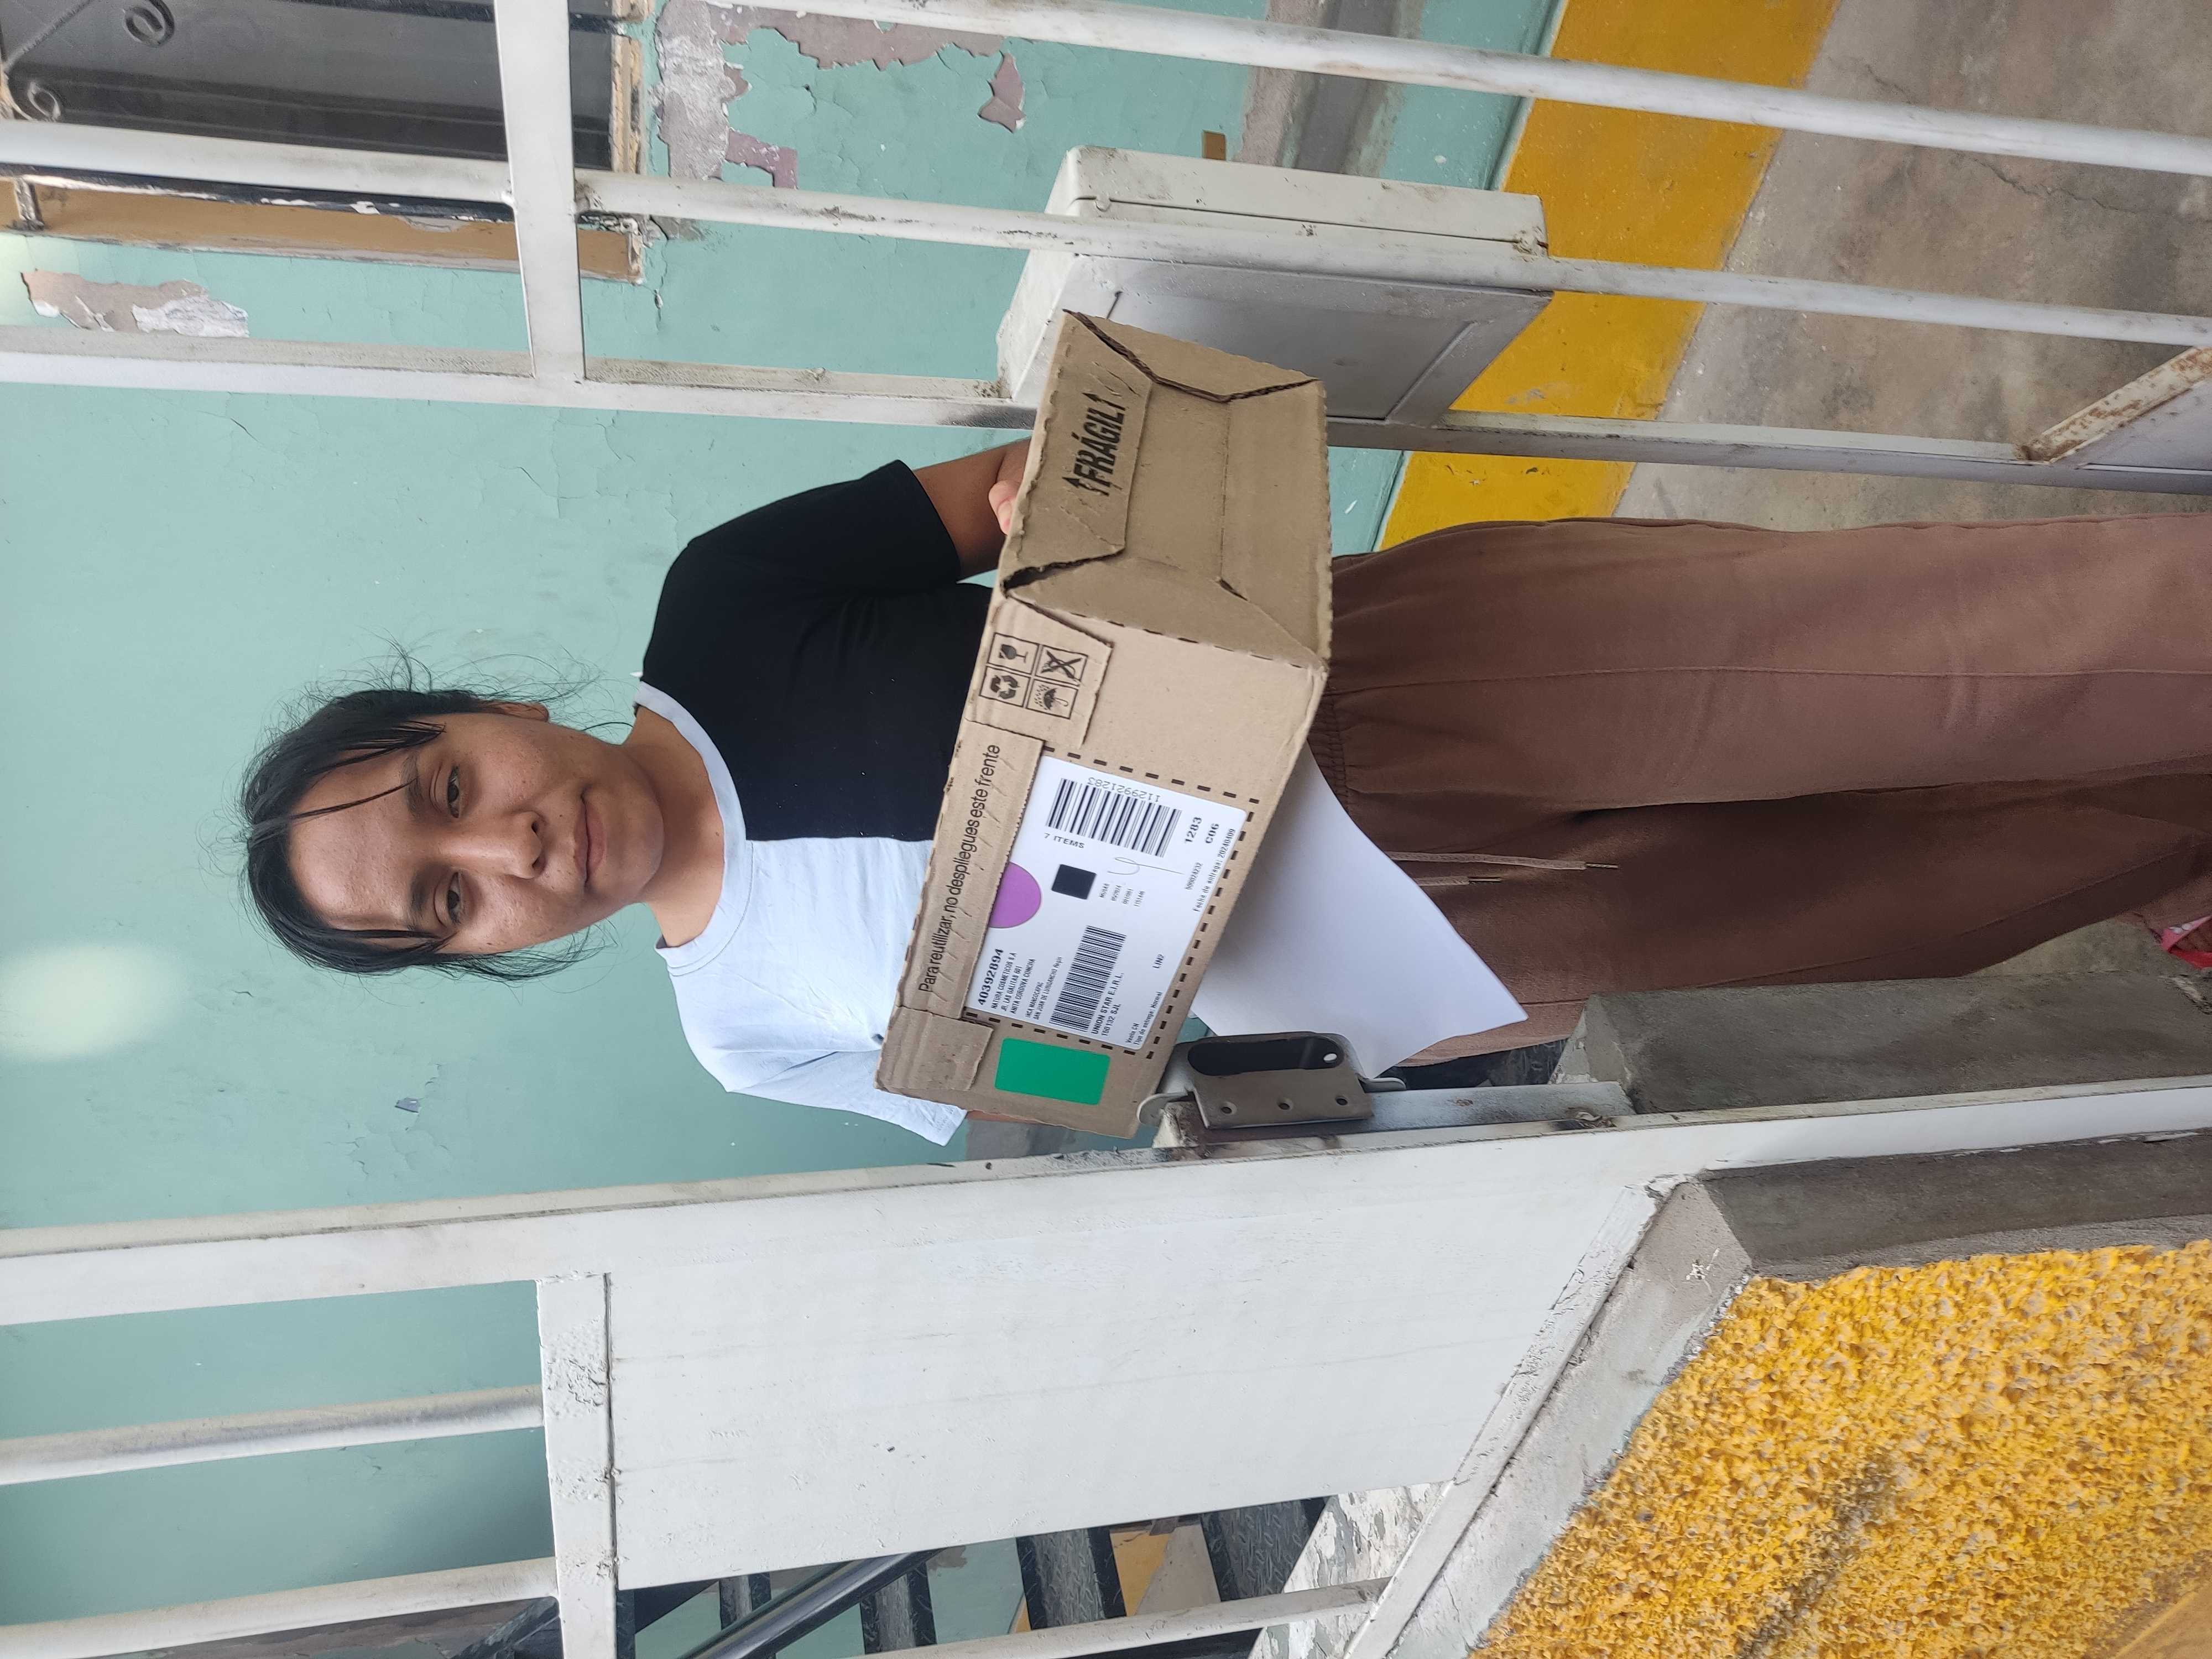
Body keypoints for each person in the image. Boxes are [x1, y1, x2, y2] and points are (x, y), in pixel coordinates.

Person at [240, 441, 2212, 1141]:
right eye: (449, 897)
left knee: (1963, 655)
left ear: (496, 707)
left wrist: (1080, 514)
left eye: (449, 782)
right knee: (1920, 902)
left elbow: (1025, 484)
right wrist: (1110, 1035)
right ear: (479, 955)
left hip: (1411, 691)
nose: (505, 843)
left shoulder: (728, 602)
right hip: (1439, 959)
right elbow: (1053, 1094)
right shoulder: (744, 1035)